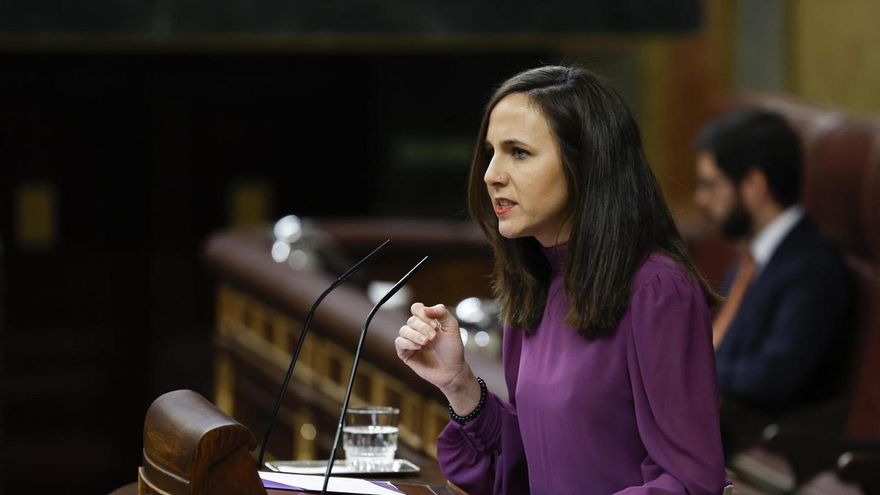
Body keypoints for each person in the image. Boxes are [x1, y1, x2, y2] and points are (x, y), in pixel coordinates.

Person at [395, 66, 728, 494]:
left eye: (518, 152)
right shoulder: (536, 283)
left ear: (584, 164)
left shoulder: (657, 290)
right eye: (491, 152)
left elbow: (690, 481)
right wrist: (458, 383)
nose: (491, 174)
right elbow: (530, 469)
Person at [693, 109, 853, 451]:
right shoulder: (753, 256)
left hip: (759, 440)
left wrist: (689, 372)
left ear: (755, 186)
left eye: (711, 184)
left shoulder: (813, 267)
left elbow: (773, 377)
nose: (700, 198)